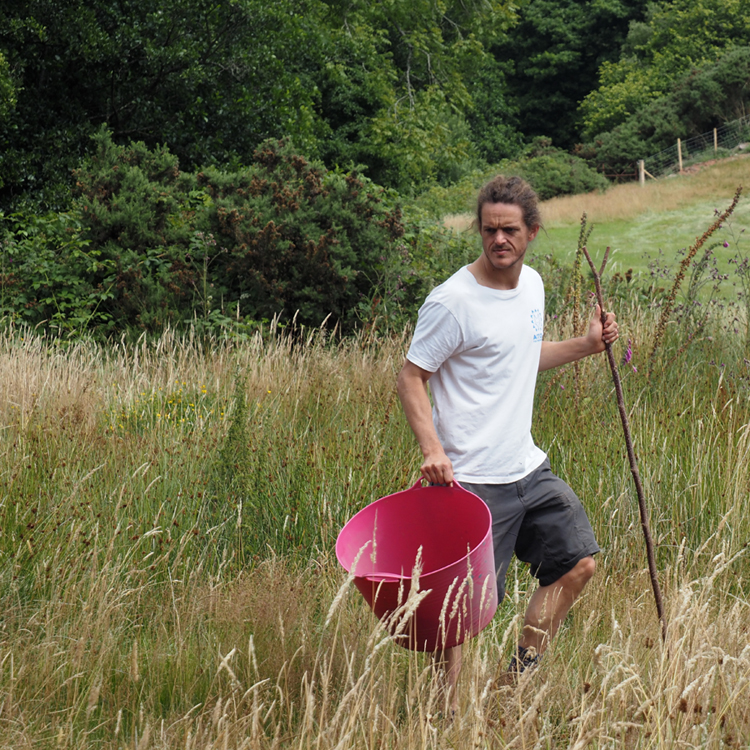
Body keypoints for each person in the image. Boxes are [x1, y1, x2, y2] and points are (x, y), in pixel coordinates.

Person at [396, 175, 618, 707]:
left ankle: (514, 683)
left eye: (510, 230)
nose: (500, 239)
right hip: (469, 480)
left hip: (527, 469)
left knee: (578, 563)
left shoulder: (534, 286)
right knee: (462, 613)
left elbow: (521, 355)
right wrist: (432, 450)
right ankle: (446, 719)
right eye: (490, 229)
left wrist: (586, 346)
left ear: (531, 232)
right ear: (480, 229)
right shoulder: (453, 301)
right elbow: (410, 376)